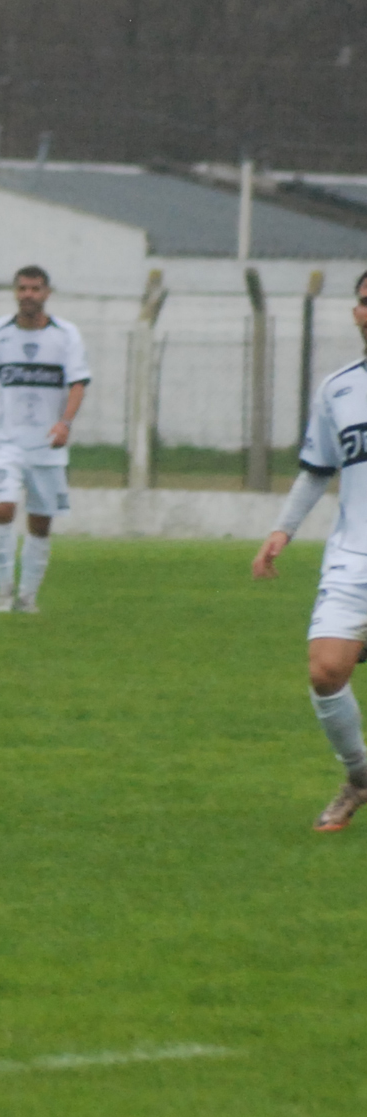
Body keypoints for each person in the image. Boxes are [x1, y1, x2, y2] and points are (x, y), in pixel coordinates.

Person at [252, 267, 367, 831]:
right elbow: (317, 469)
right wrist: (282, 530)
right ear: (355, 314)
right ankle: (360, 776)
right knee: (325, 673)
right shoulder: (337, 389)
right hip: (353, 553)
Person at [0, 266, 91, 612]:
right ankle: (3, 590)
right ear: (15, 293)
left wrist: (65, 423)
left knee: (40, 522)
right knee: (3, 508)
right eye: (22, 289)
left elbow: (78, 383)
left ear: (47, 293)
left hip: (48, 444)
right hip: (5, 441)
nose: (28, 295)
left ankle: (27, 596)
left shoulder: (66, 335)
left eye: (35, 289)